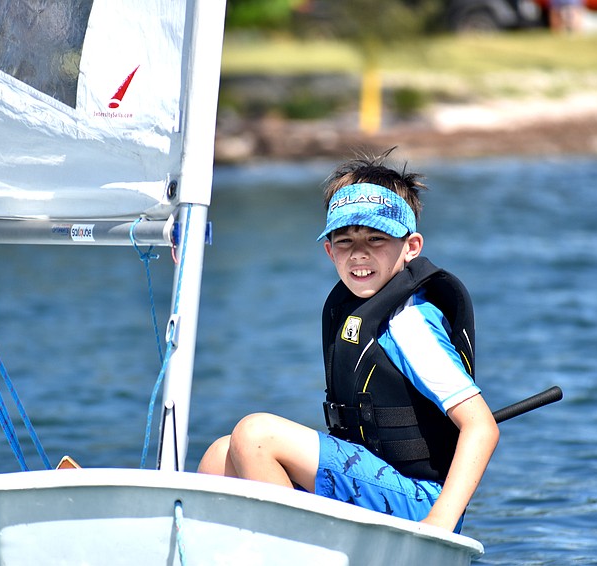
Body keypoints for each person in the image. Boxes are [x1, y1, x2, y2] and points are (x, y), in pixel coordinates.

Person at [197, 151, 499, 533]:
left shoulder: (410, 323)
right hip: (374, 475)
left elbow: (481, 427)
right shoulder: (352, 310)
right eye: (344, 241)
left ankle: (298, 552)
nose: (359, 253)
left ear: (411, 247)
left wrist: (440, 520)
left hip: (421, 501)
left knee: (256, 434)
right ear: (329, 250)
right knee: (220, 456)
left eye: (376, 238)